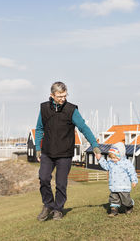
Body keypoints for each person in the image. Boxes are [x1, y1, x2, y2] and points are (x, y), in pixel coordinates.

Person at [35, 81, 101, 221]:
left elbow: (84, 128)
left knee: (61, 183)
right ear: (52, 95)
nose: (63, 99)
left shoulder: (71, 110)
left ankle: (58, 209)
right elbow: (39, 128)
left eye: (65, 95)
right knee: (44, 178)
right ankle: (48, 205)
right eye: (60, 96)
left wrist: (94, 145)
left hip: (64, 153)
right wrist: (37, 149)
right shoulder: (44, 108)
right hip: (47, 151)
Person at [97, 142, 138, 217]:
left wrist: (134, 180)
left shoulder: (126, 163)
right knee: (114, 199)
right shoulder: (111, 163)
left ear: (121, 155)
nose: (113, 159)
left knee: (126, 200)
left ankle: (129, 205)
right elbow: (105, 166)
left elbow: (132, 172)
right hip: (114, 186)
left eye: (115, 158)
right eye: (112, 158)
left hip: (124, 186)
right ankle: (114, 211)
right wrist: (100, 159)